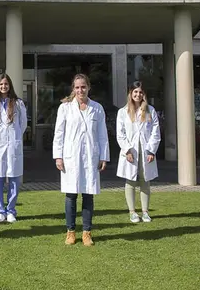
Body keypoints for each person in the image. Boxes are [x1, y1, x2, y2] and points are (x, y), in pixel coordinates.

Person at [53, 73, 110, 247]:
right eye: (77, 87)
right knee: (71, 195)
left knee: (88, 194)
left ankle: (86, 232)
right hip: (71, 156)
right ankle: (70, 232)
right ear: (73, 89)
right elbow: (59, 133)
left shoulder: (97, 108)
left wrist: (103, 157)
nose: (80, 90)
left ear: (88, 88)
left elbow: (102, 135)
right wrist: (58, 156)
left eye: (83, 87)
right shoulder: (65, 108)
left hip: (90, 157)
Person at [116, 81, 161, 224]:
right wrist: (127, 150)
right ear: (130, 93)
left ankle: (145, 212)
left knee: (145, 181)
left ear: (144, 94)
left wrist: (151, 150)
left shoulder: (150, 110)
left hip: (146, 151)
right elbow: (120, 134)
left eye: (140, 92)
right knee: (130, 181)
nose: (138, 94)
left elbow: (155, 132)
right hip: (131, 151)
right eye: (135, 92)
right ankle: (132, 212)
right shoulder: (123, 112)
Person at [0, 73, 27, 224]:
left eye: (6, 84)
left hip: (13, 145)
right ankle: (0, 211)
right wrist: (0, 138)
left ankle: (11, 211)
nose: (4, 87)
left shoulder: (18, 103)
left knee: (14, 179)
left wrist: (13, 138)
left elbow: (22, 125)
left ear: (10, 86)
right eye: (1, 84)